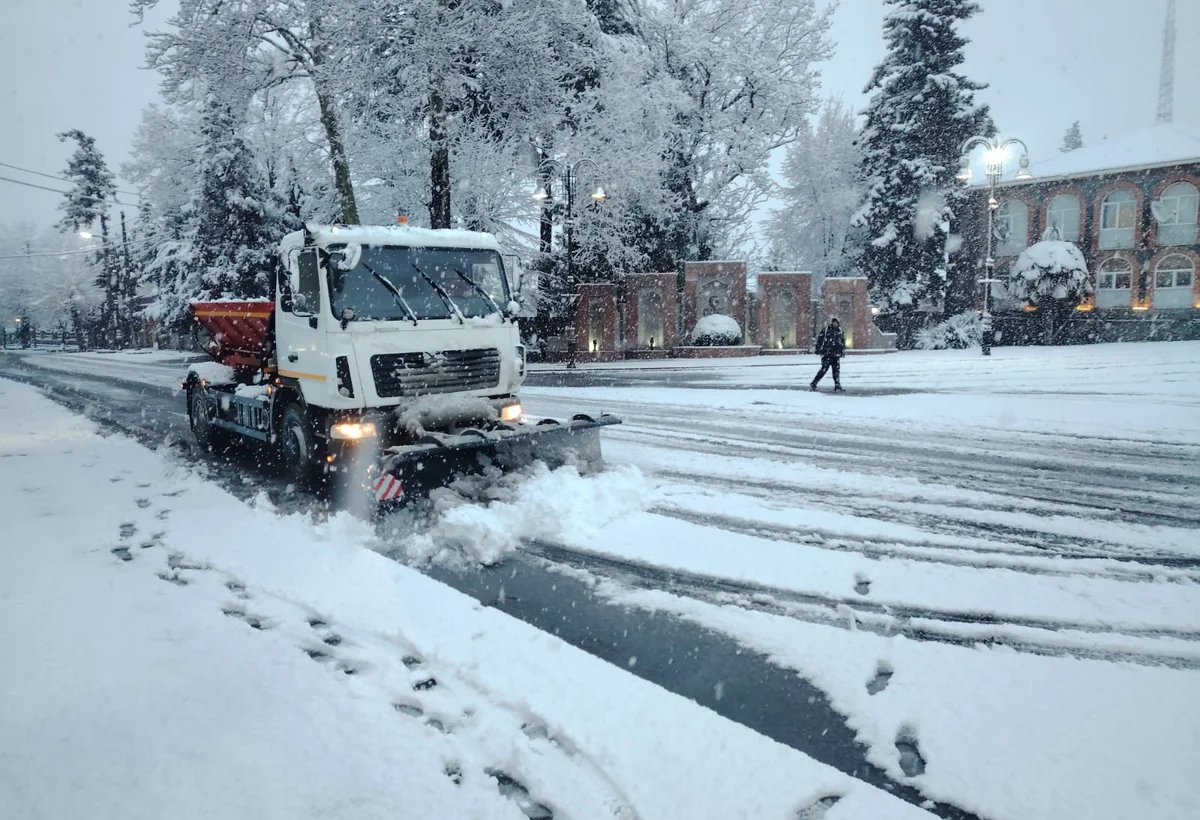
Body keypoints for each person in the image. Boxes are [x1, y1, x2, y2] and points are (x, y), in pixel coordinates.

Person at [810, 318, 845, 392]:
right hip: (827, 354)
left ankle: (837, 385)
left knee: (836, 370)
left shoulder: (840, 330)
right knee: (824, 369)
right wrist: (818, 350)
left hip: (836, 354)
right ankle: (814, 382)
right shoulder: (826, 330)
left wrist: (842, 351)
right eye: (834, 322)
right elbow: (820, 340)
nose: (835, 324)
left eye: (836, 322)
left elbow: (842, 341)